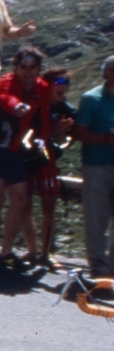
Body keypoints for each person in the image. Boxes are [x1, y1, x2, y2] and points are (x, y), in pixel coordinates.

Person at [0, 46, 51, 273]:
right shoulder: (7, 81)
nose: (28, 71)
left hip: (14, 148)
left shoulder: (42, 87)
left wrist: (42, 141)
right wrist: (17, 106)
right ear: (16, 68)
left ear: (38, 69)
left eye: (33, 67)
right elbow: (1, 96)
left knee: (21, 196)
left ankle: (6, 251)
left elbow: (43, 116)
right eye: (23, 67)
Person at [26, 67, 75, 270]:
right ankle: (32, 251)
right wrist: (51, 132)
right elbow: (27, 133)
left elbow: (72, 135)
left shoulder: (65, 109)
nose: (63, 88)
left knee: (49, 207)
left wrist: (60, 136)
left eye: (66, 84)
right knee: (23, 205)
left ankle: (46, 253)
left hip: (48, 161)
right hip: (27, 158)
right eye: (59, 83)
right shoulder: (34, 104)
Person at [73, 55, 114, 279]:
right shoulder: (91, 98)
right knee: (96, 218)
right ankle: (98, 266)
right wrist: (106, 138)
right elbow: (79, 132)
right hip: (97, 165)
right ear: (106, 72)